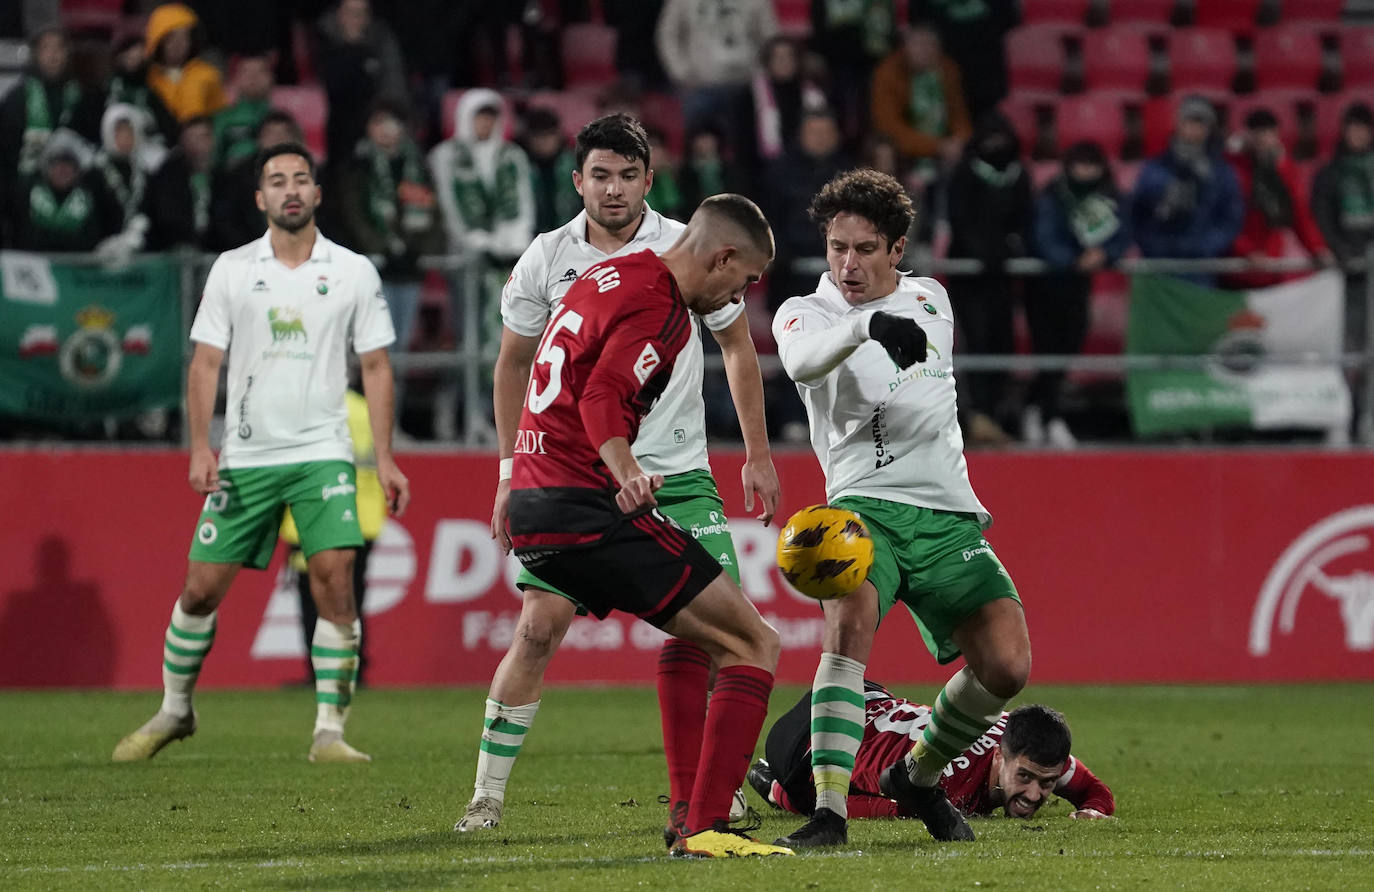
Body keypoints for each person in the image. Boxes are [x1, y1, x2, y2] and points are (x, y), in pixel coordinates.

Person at [457, 114, 783, 848]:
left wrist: (756, 451)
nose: (612, 188)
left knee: (708, 634)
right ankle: (495, 797)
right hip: (599, 480)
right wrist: (526, 469)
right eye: (599, 175)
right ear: (578, 182)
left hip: (657, 474)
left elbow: (734, 348)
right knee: (742, 639)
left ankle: (697, 807)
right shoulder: (576, 265)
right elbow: (579, 386)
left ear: (648, 180)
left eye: (627, 175)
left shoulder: (652, 257)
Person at [111, 141, 410, 765]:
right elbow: (206, 363)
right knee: (199, 590)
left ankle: (329, 730)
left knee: (335, 582)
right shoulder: (232, 269)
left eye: (301, 178)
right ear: (260, 198)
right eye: (276, 180)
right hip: (246, 456)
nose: (290, 189)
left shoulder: (353, 269)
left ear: (318, 193)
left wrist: (383, 458)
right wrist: (200, 446)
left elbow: (377, 366)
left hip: (323, 453)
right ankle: (174, 709)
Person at [771, 168, 1031, 848]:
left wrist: (889, 320)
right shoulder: (807, 312)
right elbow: (799, 363)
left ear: (897, 249)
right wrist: (866, 327)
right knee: (848, 622)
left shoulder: (932, 299)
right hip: (863, 512)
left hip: (946, 515)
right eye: (836, 248)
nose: (847, 264)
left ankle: (917, 777)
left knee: (1007, 666)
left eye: (863, 249)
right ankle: (828, 811)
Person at [751, 680, 1114, 822]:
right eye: (1025, 778)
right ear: (1000, 757)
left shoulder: (1026, 741)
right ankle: (773, 785)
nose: (1035, 794)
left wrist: (1092, 812)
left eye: (1047, 783)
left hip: (868, 694)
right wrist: (787, 797)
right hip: (805, 740)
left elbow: (1095, 792)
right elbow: (858, 804)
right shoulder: (947, 784)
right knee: (818, 799)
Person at [1026, 140, 1132, 448]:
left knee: (1067, 346)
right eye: (1080, 164)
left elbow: (1124, 232)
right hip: (1046, 284)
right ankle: (1048, 416)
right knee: (1048, 351)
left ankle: (1039, 411)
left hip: (1078, 286)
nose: (1085, 171)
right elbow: (1042, 236)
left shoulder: (1110, 197)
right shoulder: (1052, 195)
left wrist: (1105, 255)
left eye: (1092, 165)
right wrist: (1072, 260)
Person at [280, 387, 387, 686]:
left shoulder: (310, 408)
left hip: (318, 516)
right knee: (352, 595)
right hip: (364, 515)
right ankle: (354, 668)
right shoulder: (365, 409)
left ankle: (320, 671)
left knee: (314, 594)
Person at [946, 111, 1033, 447]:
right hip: (970, 275)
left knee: (1003, 341)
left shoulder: (1019, 174)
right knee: (975, 339)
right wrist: (982, 250)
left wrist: (1010, 248)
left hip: (1004, 276)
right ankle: (977, 415)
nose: (996, 145)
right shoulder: (965, 173)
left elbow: (1025, 219)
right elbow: (959, 219)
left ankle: (995, 414)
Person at [1130, 95, 1244, 286]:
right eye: (1189, 121)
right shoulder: (1154, 168)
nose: (1194, 129)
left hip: (1200, 267)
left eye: (1201, 123)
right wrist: (1155, 247)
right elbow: (1137, 215)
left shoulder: (1222, 172)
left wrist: (1205, 247)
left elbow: (1230, 218)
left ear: (1209, 129)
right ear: (1179, 123)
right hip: (1158, 266)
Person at [1225, 108, 1332, 290]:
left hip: (1270, 268)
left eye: (1268, 133)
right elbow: (1225, 219)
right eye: (1257, 133)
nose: (1262, 139)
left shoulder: (1285, 171)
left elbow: (1299, 214)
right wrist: (1246, 251)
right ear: (1247, 135)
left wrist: (1317, 248)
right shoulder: (1232, 170)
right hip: (1234, 270)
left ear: (1277, 135)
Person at [870, 23, 972, 171]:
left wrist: (960, 140)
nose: (924, 51)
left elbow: (959, 114)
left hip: (948, 148)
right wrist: (936, 147)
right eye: (918, 44)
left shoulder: (948, 69)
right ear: (905, 47)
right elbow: (888, 127)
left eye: (930, 45)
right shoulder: (888, 73)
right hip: (905, 151)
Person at [144, 3, 228, 123]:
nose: (178, 44)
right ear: (158, 41)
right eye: (171, 38)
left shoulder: (208, 74)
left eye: (184, 37)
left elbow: (221, 117)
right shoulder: (147, 77)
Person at [142, 115, 216, 250]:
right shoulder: (168, 175)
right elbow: (167, 217)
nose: (199, 144)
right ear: (183, 142)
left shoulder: (221, 174)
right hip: (175, 249)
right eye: (193, 138)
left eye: (204, 137)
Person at [213, 52, 275, 174]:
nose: (253, 77)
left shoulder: (280, 120)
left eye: (260, 71)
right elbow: (213, 160)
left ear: (271, 78)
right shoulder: (224, 118)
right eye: (246, 72)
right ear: (236, 79)